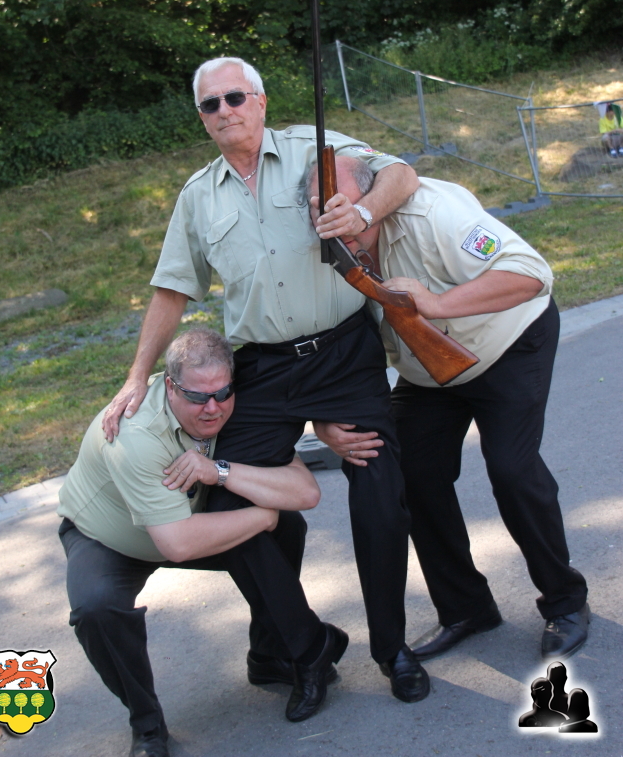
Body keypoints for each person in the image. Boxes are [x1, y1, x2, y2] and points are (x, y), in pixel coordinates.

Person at [102, 56, 431, 706]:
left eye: (234, 97)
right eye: (210, 104)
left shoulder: (314, 146)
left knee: (378, 495)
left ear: (259, 100)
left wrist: (362, 212)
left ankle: (392, 648)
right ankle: (302, 649)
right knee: (231, 506)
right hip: (262, 367)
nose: (224, 111)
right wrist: (136, 376)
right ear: (202, 118)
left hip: (342, 353)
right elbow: (172, 289)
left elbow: (402, 173)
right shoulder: (198, 196)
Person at [307, 157, 589, 664]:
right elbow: (323, 340)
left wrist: (436, 304)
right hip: (427, 371)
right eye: (318, 205)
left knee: (513, 469)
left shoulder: (433, 214)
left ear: (372, 200)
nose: (329, 215)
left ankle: (566, 601)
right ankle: (466, 608)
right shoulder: (321, 251)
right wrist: (322, 418)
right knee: (409, 472)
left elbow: (531, 274)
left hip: (507, 342)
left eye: (340, 203)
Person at [58, 328, 345, 757]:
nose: (212, 408)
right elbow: (177, 544)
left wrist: (220, 471)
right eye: (197, 397)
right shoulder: (137, 434)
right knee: (96, 608)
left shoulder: (239, 408)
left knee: (286, 528)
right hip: (109, 537)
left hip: (187, 518)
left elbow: (304, 491)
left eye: (222, 392)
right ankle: (147, 725)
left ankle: (271, 655)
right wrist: (262, 515)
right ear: (171, 387)